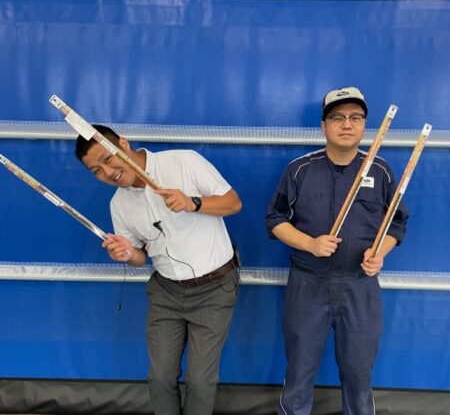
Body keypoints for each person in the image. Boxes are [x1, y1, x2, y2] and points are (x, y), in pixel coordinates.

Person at [75, 125, 242, 415]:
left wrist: (194, 203)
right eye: (96, 171)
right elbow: (140, 257)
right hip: (166, 292)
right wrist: (127, 254)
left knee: (200, 382)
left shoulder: (183, 161)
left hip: (215, 288)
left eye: (107, 158)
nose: (107, 171)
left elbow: (233, 203)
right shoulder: (119, 205)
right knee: (160, 377)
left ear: (123, 144)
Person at [265, 87, 409, 415]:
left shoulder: (381, 171)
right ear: (323, 126)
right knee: (299, 372)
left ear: (365, 125)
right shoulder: (300, 169)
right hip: (308, 284)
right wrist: (310, 243)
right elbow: (274, 220)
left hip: (359, 285)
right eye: (338, 117)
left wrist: (380, 253)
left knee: (359, 376)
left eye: (355, 117)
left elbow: (397, 223)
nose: (347, 124)